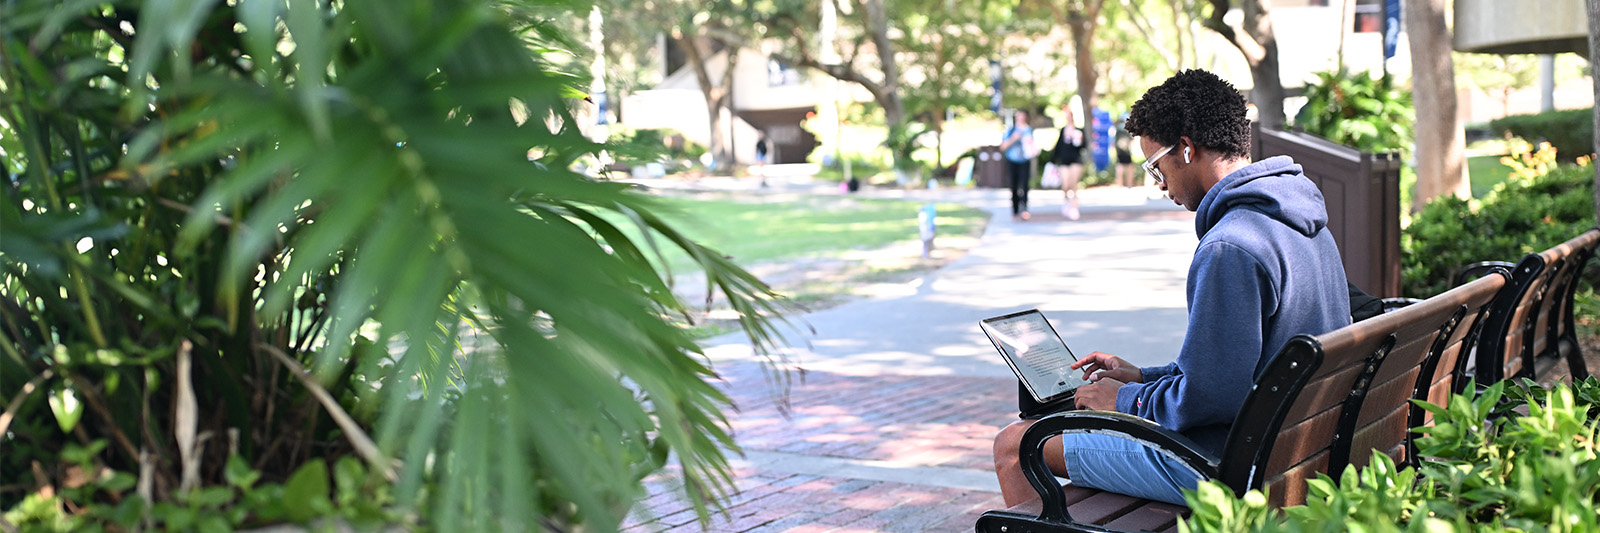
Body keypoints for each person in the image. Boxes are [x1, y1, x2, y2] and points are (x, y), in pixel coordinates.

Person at [991, 69, 1352, 506]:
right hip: (1305, 446)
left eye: (1155, 166)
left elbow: (1212, 399)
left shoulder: (1230, 246)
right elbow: (1235, 369)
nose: (1160, 183)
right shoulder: (1302, 220)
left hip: (1233, 466)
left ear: (1186, 149)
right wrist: (1144, 377)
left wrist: (1125, 399)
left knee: (1015, 445)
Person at [1050, 104, 1086, 220]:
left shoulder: (1079, 131)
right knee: (1065, 185)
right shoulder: (1063, 130)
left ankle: (1074, 208)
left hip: (1076, 159)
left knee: (1073, 184)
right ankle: (1066, 203)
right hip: (1064, 160)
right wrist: (1052, 161)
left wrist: (1079, 139)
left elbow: (1083, 146)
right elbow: (1058, 147)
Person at [999, 109, 1036, 221]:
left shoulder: (1029, 130)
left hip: (1024, 160)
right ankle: (1015, 210)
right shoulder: (1010, 130)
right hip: (1012, 161)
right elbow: (1003, 147)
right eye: (1019, 116)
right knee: (1014, 186)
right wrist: (1014, 138)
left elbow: (1033, 145)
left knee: (1024, 185)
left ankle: (1024, 209)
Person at [1113, 114, 1136, 187]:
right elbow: (1131, 138)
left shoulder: (1118, 128)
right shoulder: (1126, 128)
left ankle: (1120, 183)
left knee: (1120, 166)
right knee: (1128, 166)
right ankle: (1129, 183)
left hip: (1119, 149)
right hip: (1126, 150)